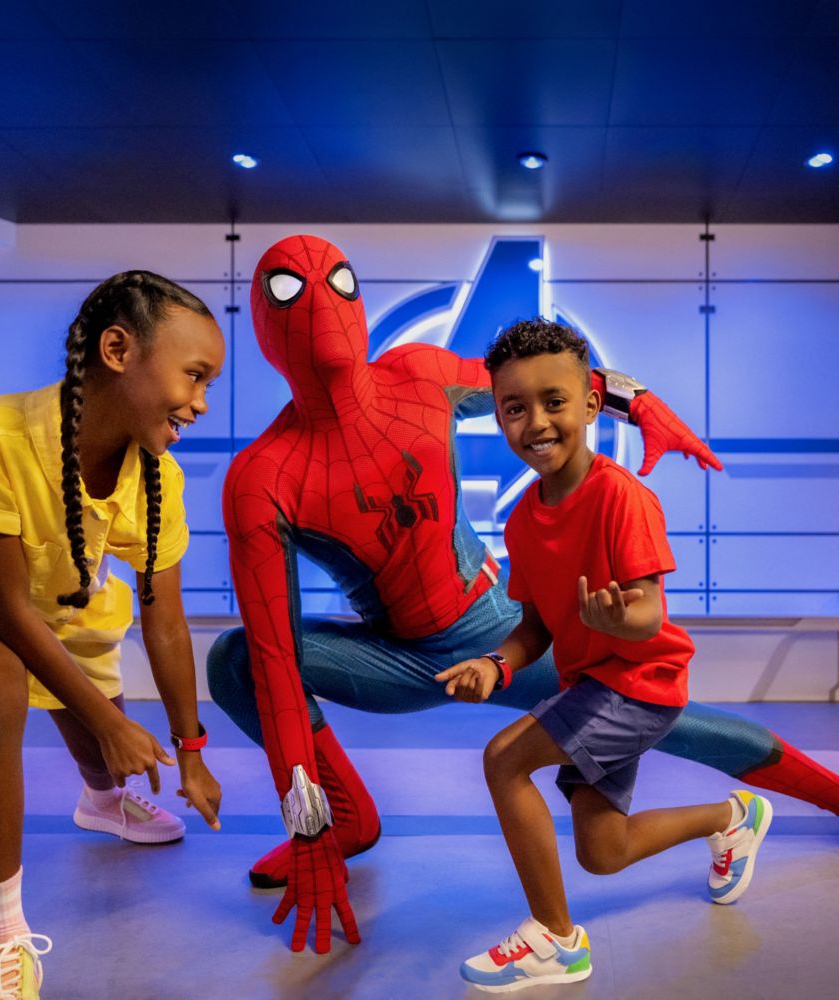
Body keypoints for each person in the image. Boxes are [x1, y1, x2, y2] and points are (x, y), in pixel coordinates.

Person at [207, 234, 838, 955]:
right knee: (236, 660)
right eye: (290, 291)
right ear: (262, 319)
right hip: (393, 658)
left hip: (496, 630)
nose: (322, 307)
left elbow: (540, 377)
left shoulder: (418, 378)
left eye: (339, 283)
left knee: (676, 722)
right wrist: (311, 824)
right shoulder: (262, 477)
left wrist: (641, 402)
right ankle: (352, 819)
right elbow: (277, 658)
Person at [0, 271, 225, 1000]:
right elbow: (9, 610)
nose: (201, 401)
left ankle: (102, 802)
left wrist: (191, 752)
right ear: (119, 349)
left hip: (71, 607)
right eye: (194, 375)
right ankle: (4, 938)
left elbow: (166, 621)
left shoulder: (159, 478)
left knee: (101, 752)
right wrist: (112, 718)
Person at [437, 320, 772, 992]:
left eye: (554, 401)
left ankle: (557, 942)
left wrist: (620, 618)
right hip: (593, 683)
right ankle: (734, 818)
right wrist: (496, 664)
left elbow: (649, 612)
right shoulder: (522, 520)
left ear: (591, 402)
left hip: (640, 684)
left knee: (504, 761)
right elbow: (533, 629)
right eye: (514, 408)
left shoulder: (623, 497)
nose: (536, 422)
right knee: (603, 852)